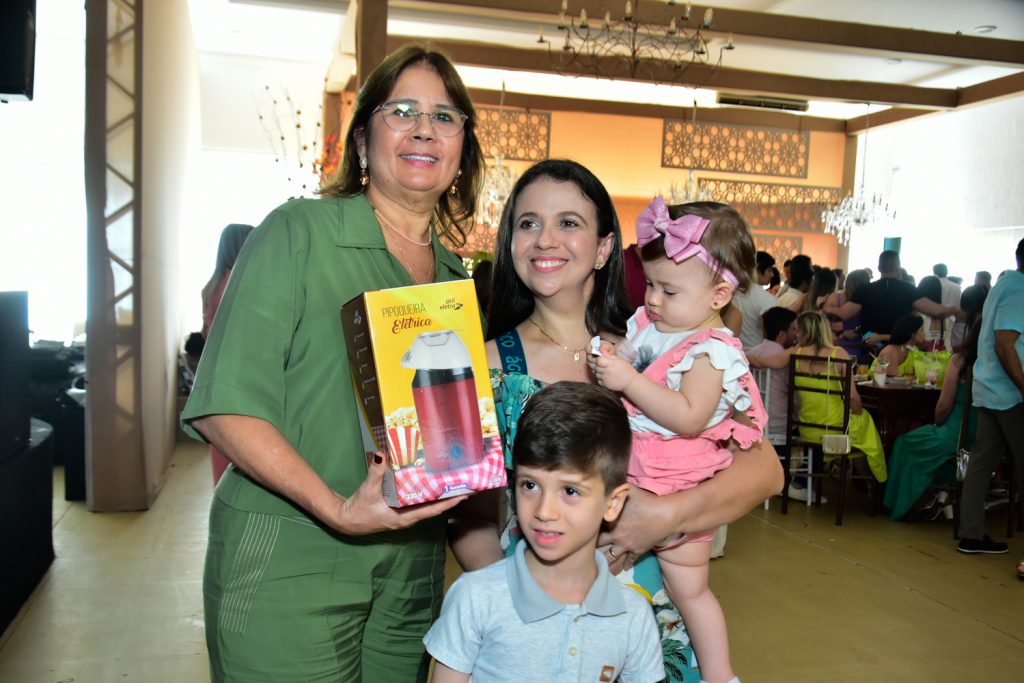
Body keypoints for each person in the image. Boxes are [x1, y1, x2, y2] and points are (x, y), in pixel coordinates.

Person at [181, 45, 489, 681]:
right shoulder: (298, 232)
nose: (424, 129)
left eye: (444, 116)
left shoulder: (455, 279)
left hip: (413, 568)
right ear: (363, 138)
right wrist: (337, 508)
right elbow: (223, 406)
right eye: (401, 111)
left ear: (463, 149)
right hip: (291, 552)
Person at [481, 158, 784, 682]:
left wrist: (664, 516)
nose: (545, 239)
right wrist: (502, 597)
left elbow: (765, 469)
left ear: (604, 248)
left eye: (568, 222)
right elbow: (470, 515)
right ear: (511, 243)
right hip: (534, 604)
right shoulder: (487, 364)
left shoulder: (662, 346)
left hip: (656, 601)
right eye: (528, 223)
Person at [589, 197, 765, 683]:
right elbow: (634, 356)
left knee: (690, 590)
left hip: (676, 479)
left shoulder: (711, 351)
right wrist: (611, 355)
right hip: (632, 466)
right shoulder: (656, 324)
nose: (654, 299)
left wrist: (627, 380)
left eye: (669, 290)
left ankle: (720, 675)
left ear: (719, 295)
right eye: (651, 285)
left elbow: (689, 417)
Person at [425, 383, 665, 683]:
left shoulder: (633, 616)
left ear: (613, 503)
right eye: (530, 485)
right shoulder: (476, 597)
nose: (544, 511)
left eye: (570, 490)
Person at [748, 311, 887, 484]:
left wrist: (743, 354)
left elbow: (762, 362)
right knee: (866, 423)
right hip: (836, 427)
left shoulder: (795, 353)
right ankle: (876, 480)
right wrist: (859, 413)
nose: (796, 334)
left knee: (858, 430)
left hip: (807, 428)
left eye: (798, 330)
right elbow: (852, 397)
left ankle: (855, 477)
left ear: (806, 332)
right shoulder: (839, 354)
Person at [956, 239, 1024, 560]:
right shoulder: (1019, 290)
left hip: (988, 386)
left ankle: (970, 534)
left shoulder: (1003, 284)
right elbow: (1004, 345)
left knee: (981, 463)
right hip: (1010, 393)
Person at [884, 319, 980, 521]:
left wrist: (938, 424)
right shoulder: (1000, 364)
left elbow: (943, 406)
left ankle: (901, 504)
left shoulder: (960, 360)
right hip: (985, 439)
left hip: (954, 434)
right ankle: (943, 494)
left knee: (903, 443)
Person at [199, 223, 254, 484]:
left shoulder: (212, 286)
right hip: (239, 379)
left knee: (222, 450)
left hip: (215, 378)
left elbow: (206, 334)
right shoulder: (242, 283)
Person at [823, 250, 959, 349]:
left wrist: (825, 306)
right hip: (898, 348)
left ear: (878, 268)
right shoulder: (908, 289)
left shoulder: (865, 290)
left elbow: (843, 313)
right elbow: (937, 311)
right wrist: (955, 310)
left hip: (870, 347)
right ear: (898, 268)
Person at [748, 307, 798, 438]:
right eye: (793, 329)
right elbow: (796, 397)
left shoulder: (752, 352)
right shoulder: (786, 359)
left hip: (753, 421)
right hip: (781, 424)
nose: (797, 334)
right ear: (781, 334)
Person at [732, 249, 777, 351]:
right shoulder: (766, 299)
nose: (772, 275)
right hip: (758, 354)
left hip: (734, 352)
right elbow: (771, 332)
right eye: (769, 270)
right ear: (757, 271)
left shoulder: (732, 293)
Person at [827, 268, 870, 362]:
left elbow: (825, 321)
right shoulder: (868, 302)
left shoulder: (835, 298)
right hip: (859, 347)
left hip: (836, 346)